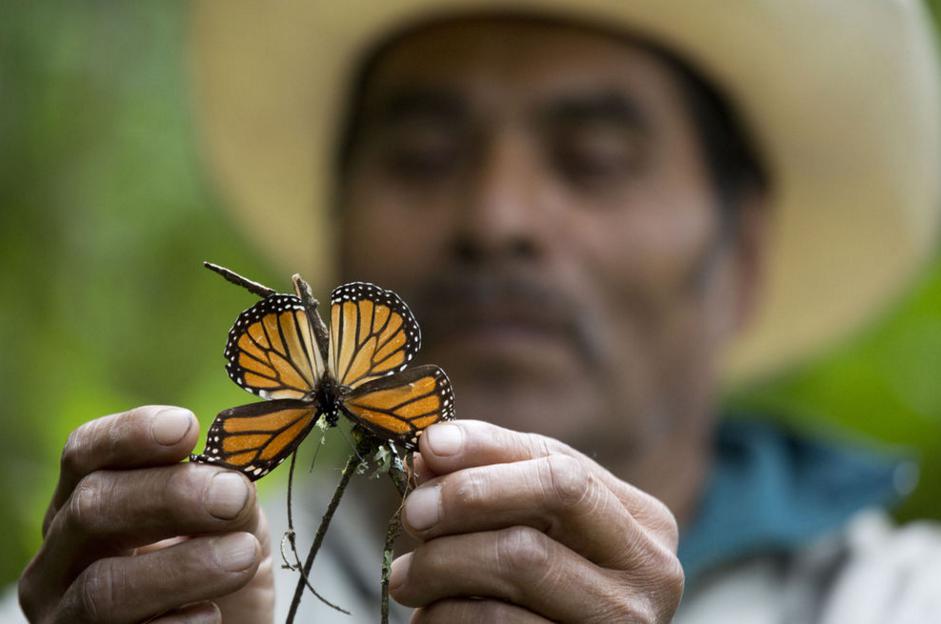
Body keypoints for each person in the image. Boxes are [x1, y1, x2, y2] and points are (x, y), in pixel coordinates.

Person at [13, 1, 941, 622]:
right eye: (420, 156)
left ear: (739, 261)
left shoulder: (901, 599)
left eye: (594, 160)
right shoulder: (148, 584)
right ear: (331, 243)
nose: (496, 219)